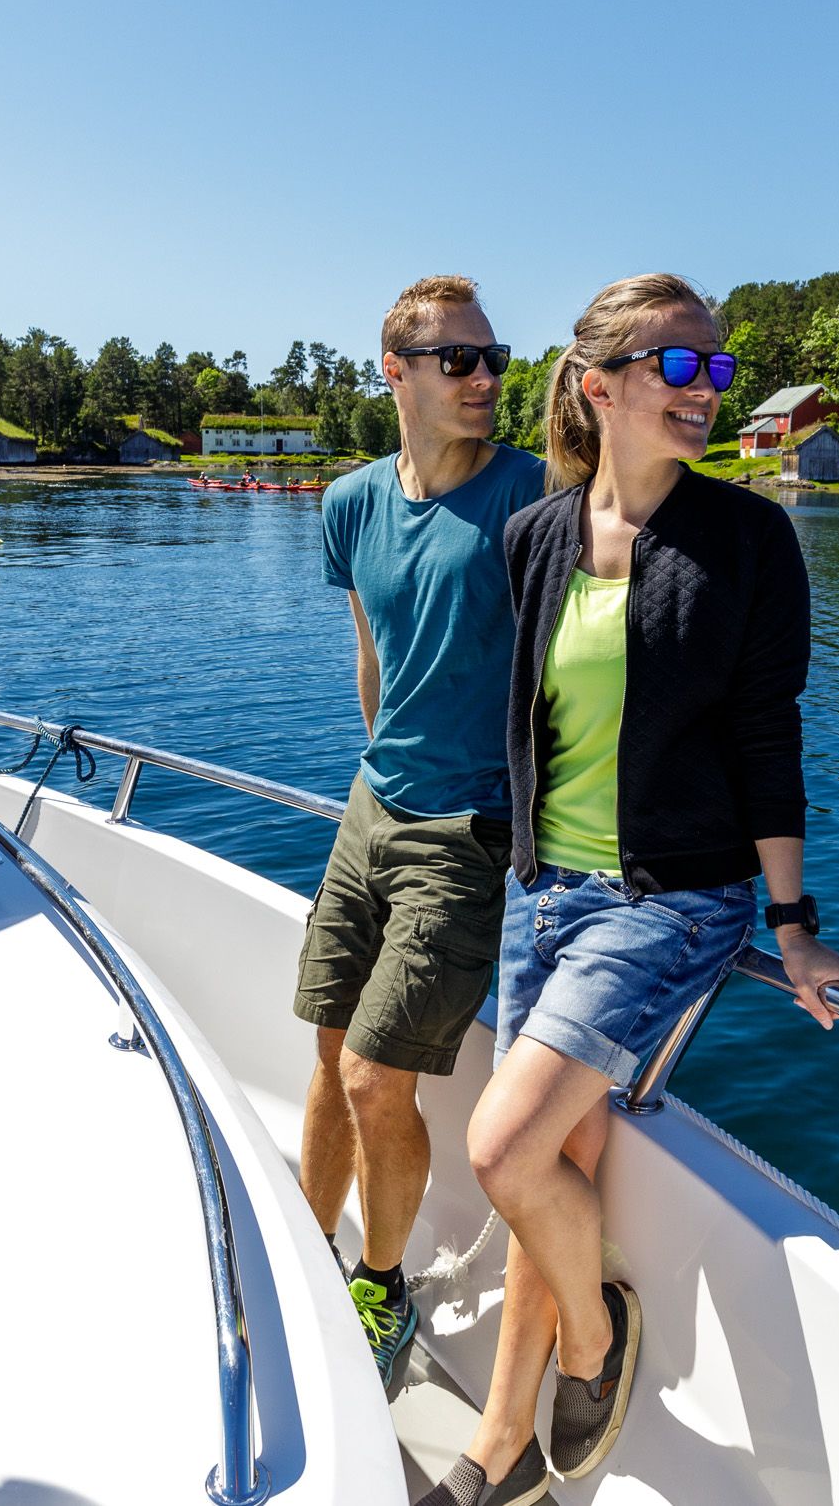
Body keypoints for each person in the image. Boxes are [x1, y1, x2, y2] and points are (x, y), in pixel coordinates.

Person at [415, 274, 839, 1506]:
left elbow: (769, 737)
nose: (709, 391)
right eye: (680, 368)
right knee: (550, 1161)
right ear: (600, 383)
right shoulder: (536, 537)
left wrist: (792, 922)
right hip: (542, 890)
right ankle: (497, 1446)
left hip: (670, 896)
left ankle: (595, 1338)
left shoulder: (749, 540)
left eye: (719, 369)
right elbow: (539, 726)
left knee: (505, 1147)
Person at [296, 274, 545, 1399]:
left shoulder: (532, 500)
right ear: (396, 371)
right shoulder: (350, 503)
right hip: (370, 808)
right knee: (325, 1052)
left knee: (373, 1078)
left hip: (468, 829)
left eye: (494, 358)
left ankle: (383, 1288)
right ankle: (308, 1252)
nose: (486, 377)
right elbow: (373, 656)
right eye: (460, 360)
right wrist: (378, 772)